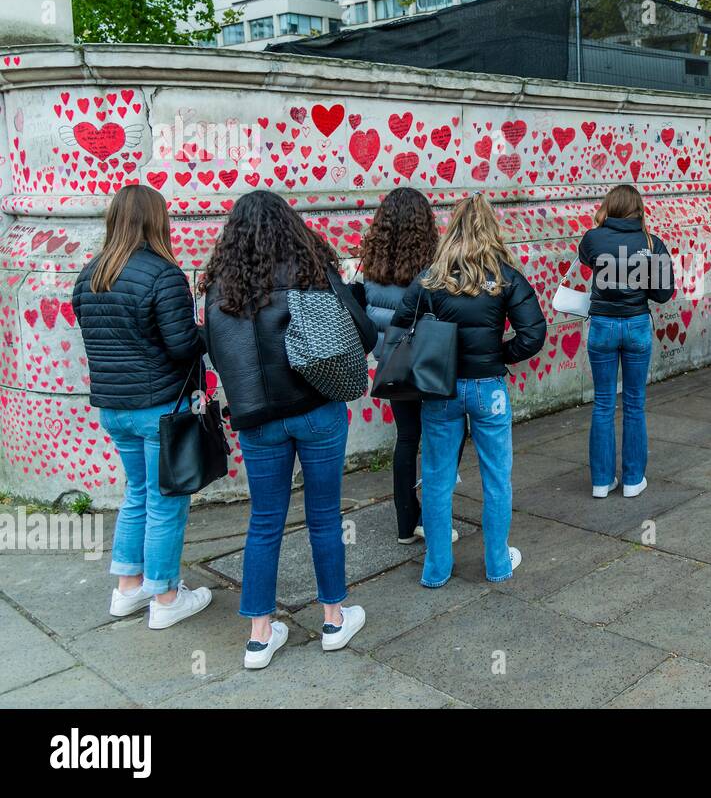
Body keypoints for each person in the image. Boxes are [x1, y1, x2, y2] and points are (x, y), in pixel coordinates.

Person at [201, 190, 378, 670]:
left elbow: (218, 354)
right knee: (324, 516)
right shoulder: (311, 273)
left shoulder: (218, 288)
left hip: (257, 419)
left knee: (264, 521)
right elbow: (362, 332)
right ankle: (334, 620)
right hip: (316, 409)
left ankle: (259, 636)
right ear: (288, 226)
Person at [71, 185, 212, 629]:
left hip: (114, 409)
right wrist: (206, 332)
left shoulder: (89, 275)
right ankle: (167, 596)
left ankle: (128, 590)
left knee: (137, 493)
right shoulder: (163, 275)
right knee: (167, 499)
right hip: (160, 409)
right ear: (157, 221)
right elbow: (182, 346)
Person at [389, 193, 545, 586]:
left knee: (438, 477)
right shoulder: (506, 275)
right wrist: (499, 354)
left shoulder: (431, 276)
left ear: (452, 228)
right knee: (496, 477)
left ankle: (436, 569)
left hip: (440, 389)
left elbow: (399, 327)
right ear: (492, 229)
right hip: (488, 388)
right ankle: (497, 564)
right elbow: (534, 332)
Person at [357, 187, 449, 544]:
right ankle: (431, 516)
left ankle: (405, 523)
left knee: (407, 439)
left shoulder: (372, 263)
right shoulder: (432, 266)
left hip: (391, 361)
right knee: (443, 437)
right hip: (429, 360)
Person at [578, 184, 676, 497]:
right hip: (636, 326)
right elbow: (663, 294)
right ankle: (633, 480)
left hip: (603, 326)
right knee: (634, 404)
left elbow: (586, 259)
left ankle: (601, 482)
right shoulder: (651, 242)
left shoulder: (594, 237)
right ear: (639, 210)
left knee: (603, 403)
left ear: (609, 206)